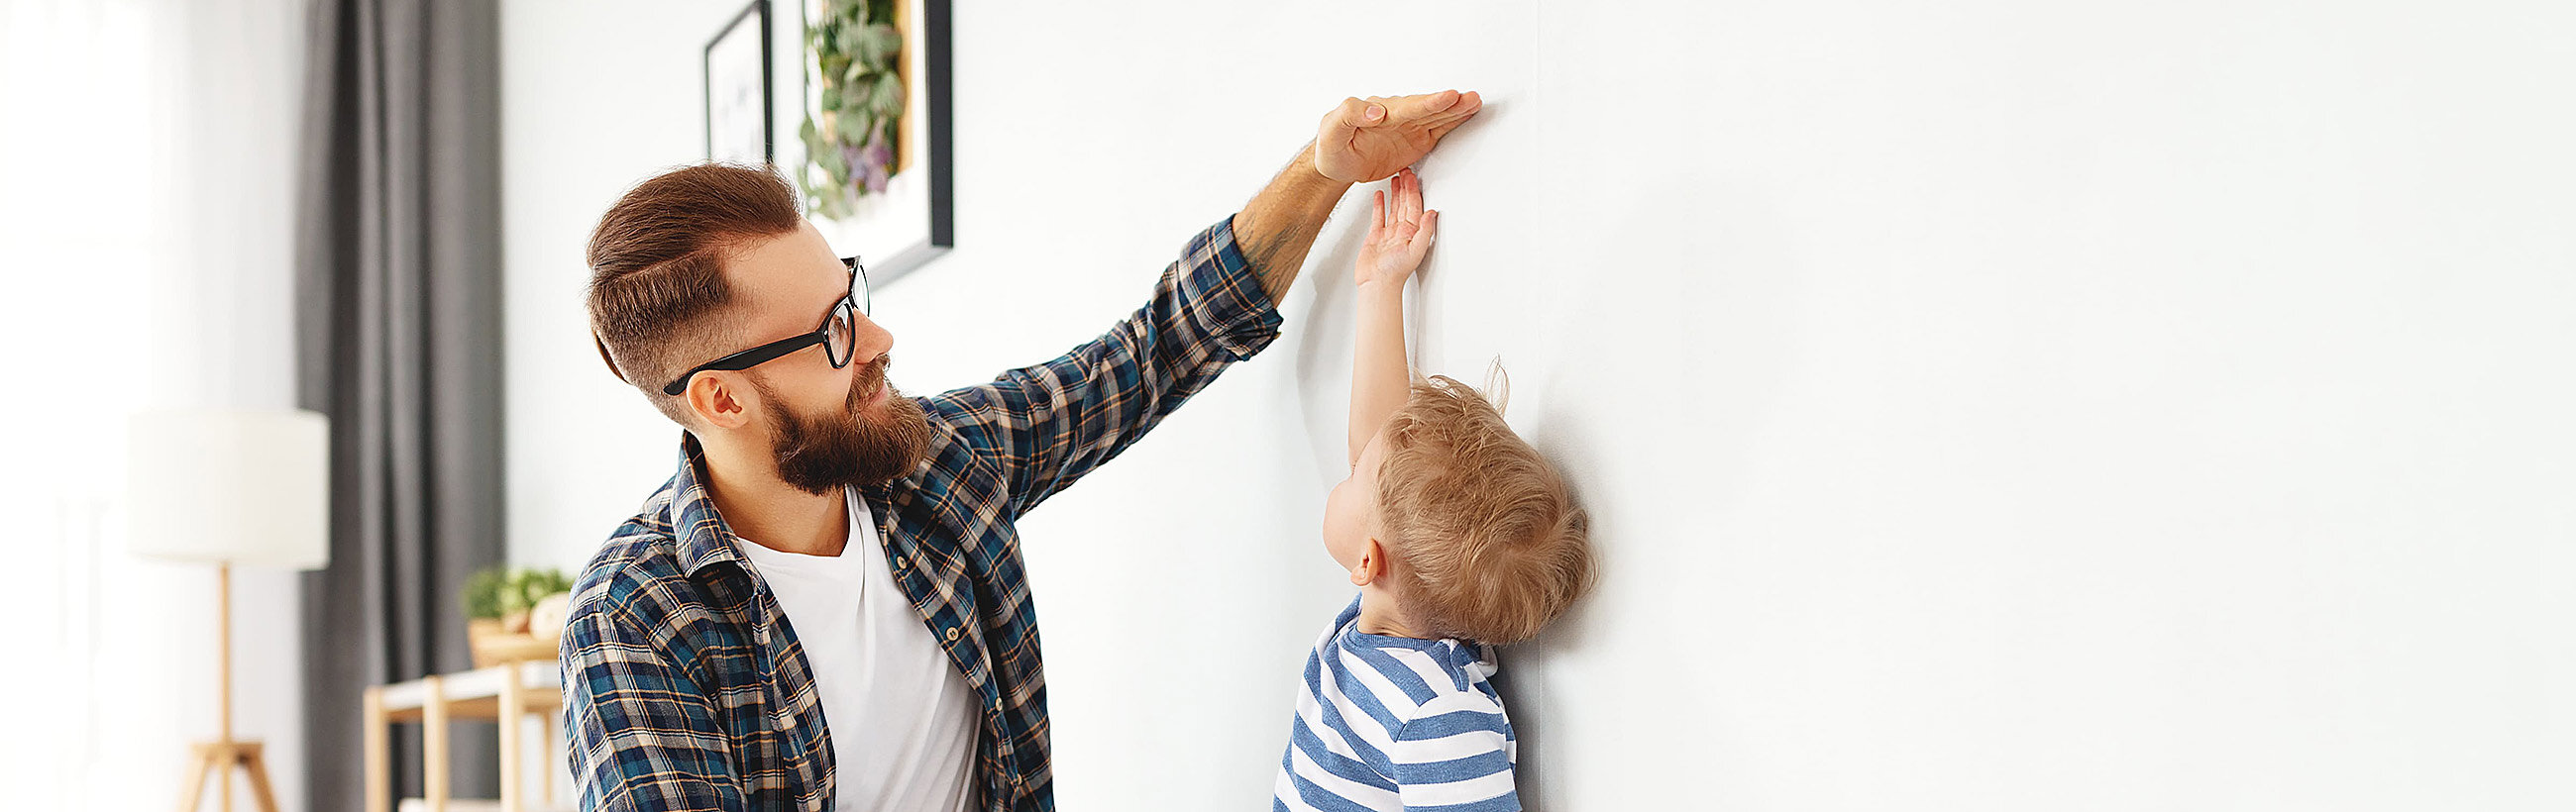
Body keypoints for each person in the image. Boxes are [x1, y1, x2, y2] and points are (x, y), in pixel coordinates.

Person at [559, 89, 1484, 812]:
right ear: (720, 400)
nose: (878, 340)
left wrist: (1325, 169)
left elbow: (1156, 349)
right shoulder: (633, 621)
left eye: (852, 292)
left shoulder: (933, 463)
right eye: (832, 332)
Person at [1272, 169, 1593, 812]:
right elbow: (1381, 445)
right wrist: (1380, 289)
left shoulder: (1437, 717)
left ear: (1370, 559)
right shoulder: (1403, 605)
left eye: (1355, 475)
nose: (1353, 459)